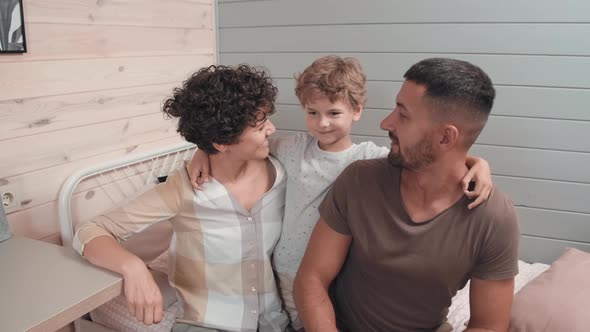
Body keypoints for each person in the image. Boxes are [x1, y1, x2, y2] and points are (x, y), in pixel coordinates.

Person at [187, 56, 494, 331]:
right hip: (280, 269)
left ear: (357, 110)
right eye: (312, 112)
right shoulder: (291, 148)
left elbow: (425, 158)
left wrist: (475, 162)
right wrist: (203, 150)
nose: (322, 123)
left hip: (332, 274)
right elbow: (242, 145)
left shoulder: (368, 157)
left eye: (333, 113)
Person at [294, 58, 520, 332]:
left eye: (403, 114)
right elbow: (312, 278)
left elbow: (489, 326)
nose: (386, 122)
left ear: (446, 138)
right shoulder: (359, 180)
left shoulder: (493, 218)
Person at [73, 64, 289, 332]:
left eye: (266, 117)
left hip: (274, 322)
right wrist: (134, 268)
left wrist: (202, 150)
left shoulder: (282, 166)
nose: (272, 128)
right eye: (259, 126)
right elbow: (89, 230)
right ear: (221, 143)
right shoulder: (183, 189)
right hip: (207, 323)